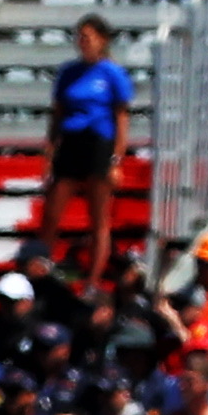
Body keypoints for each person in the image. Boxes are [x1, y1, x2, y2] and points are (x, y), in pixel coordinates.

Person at [42, 17, 133, 297]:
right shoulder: (68, 72)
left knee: (98, 218)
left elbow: (121, 118)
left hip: (98, 143)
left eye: (88, 37)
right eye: (79, 36)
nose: (83, 42)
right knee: (52, 213)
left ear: (102, 39)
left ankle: (92, 280)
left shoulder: (112, 73)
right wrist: (50, 149)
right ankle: (43, 268)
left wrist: (117, 159)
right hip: (71, 141)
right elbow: (57, 113)